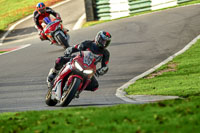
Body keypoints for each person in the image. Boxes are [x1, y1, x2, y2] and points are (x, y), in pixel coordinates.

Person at [47, 31, 112, 91]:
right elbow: (77, 47)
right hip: (77, 60)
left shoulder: (105, 53)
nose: (104, 43)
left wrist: (101, 70)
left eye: (106, 42)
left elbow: (105, 65)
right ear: (98, 38)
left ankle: (76, 89)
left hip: (89, 68)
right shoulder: (88, 43)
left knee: (95, 86)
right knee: (59, 60)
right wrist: (70, 50)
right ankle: (53, 74)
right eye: (103, 41)